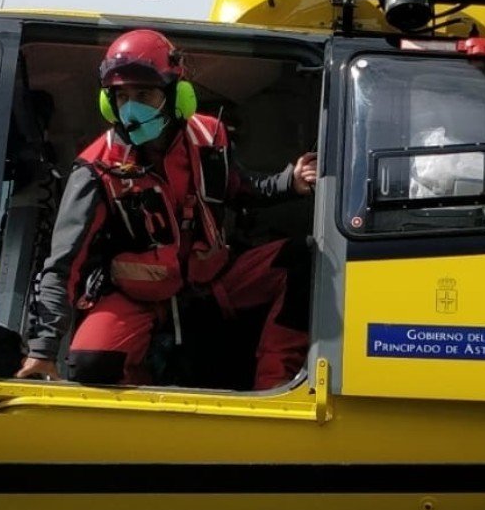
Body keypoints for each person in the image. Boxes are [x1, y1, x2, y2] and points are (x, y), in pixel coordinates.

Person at [16, 29, 318, 389]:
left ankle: (275, 388)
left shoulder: (209, 136)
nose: (131, 107)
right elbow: (64, 265)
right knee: (91, 362)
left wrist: (289, 181)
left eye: (143, 93)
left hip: (214, 280)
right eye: (122, 96)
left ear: (178, 95)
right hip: (137, 296)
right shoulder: (95, 169)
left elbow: (238, 186)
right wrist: (43, 349)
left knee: (303, 258)